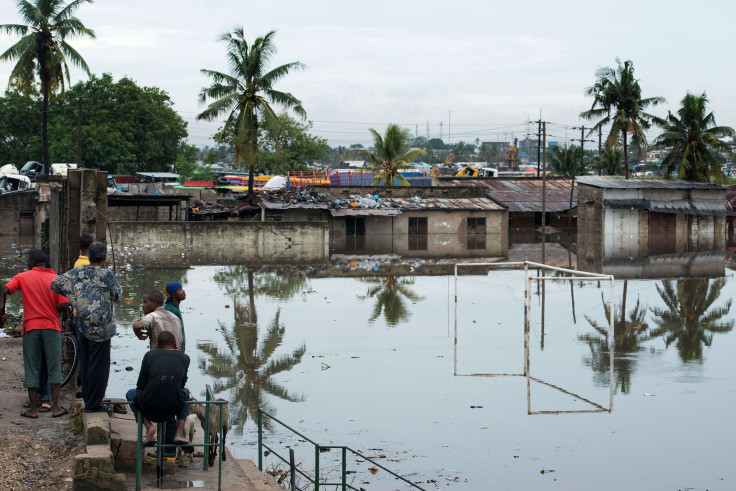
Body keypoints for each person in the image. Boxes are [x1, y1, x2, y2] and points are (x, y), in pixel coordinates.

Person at [51, 242, 121, 413]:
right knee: (100, 367)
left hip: (82, 324)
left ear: (90, 257)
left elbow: (55, 283)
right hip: (103, 329)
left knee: (86, 362)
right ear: (104, 258)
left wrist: (76, 297)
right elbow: (118, 296)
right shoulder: (107, 275)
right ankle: (94, 404)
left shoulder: (78, 272)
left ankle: (89, 400)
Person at [0, 250, 70, 418]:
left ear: (32, 262)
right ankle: (55, 408)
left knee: (32, 367)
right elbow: (63, 305)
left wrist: (2, 312)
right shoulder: (57, 279)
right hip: (52, 328)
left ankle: (32, 410)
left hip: (31, 327)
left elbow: (3, 290)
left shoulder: (22, 277)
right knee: (54, 367)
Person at [125, 331, 193, 452]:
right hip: (173, 408)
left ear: (158, 345)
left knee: (130, 394)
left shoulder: (149, 355)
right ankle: (179, 433)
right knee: (186, 393)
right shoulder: (184, 358)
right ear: (175, 343)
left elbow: (141, 384)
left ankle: (148, 426)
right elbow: (181, 384)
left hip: (149, 407)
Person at [164, 282, 186, 352]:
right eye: (180, 290)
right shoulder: (170, 309)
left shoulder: (174, 307)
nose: (183, 291)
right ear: (173, 294)